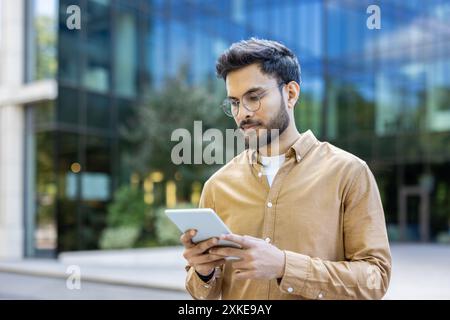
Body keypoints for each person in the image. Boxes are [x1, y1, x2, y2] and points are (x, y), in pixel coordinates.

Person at [180, 38, 391, 300]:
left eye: (254, 97)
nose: (242, 113)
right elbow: (202, 295)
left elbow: (375, 279)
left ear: (290, 93)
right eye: (234, 102)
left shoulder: (349, 173)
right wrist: (202, 272)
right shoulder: (217, 186)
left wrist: (284, 266)